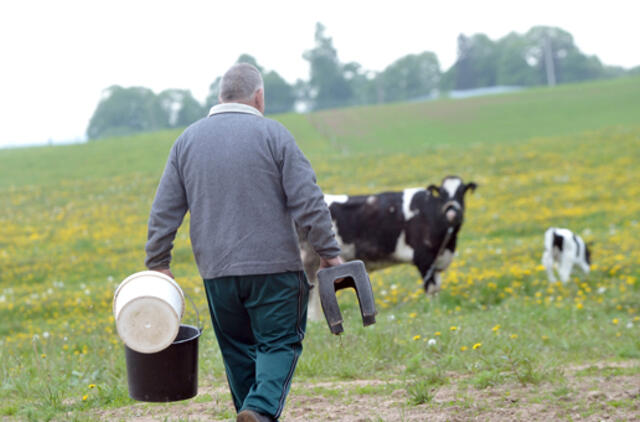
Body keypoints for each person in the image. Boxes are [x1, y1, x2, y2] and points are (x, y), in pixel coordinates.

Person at [144, 62, 343, 422]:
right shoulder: (275, 135)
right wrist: (329, 253)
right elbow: (309, 201)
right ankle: (261, 409)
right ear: (258, 97)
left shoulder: (186, 141)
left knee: (237, 351)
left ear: (220, 96)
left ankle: (250, 413)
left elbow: (164, 210)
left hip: (217, 274)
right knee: (279, 343)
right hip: (275, 270)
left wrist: (158, 263)